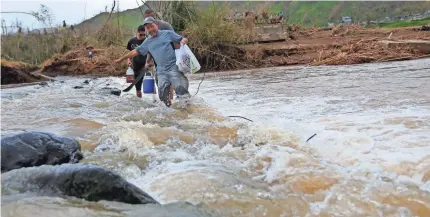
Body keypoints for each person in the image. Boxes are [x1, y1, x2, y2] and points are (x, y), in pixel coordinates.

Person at [114, 17, 190, 107]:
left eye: (151, 26)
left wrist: (184, 40)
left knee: (181, 89)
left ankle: (188, 112)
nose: (150, 29)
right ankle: (171, 114)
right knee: (163, 97)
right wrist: (121, 59)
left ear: (156, 25)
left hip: (173, 67)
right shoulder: (148, 42)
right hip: (161, 72)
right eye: (148, 28)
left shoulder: (167, 34)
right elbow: (135, 52)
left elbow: (181, 39)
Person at [143, 9, 176, 101]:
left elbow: (174, 38)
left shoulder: (165, 25)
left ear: (154, 17)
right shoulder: (147, 31)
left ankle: (170, 101)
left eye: (150, 18)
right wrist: (147, 61)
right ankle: (165, 101)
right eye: (146, 18)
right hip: (157, 58)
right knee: (159, 80)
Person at [126, 25, 149, 98]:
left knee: (150, 84)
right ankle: (140, 104)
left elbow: (151, 53)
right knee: (138, 89)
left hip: (146, 66)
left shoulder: (147, 41)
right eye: (141, 34)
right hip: (135, 67)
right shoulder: (131, 41)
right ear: (137, 32)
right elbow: (129, 54)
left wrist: (149, 63)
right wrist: (128, 60)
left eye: (144, 34)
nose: (143, 36)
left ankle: (155, 100)